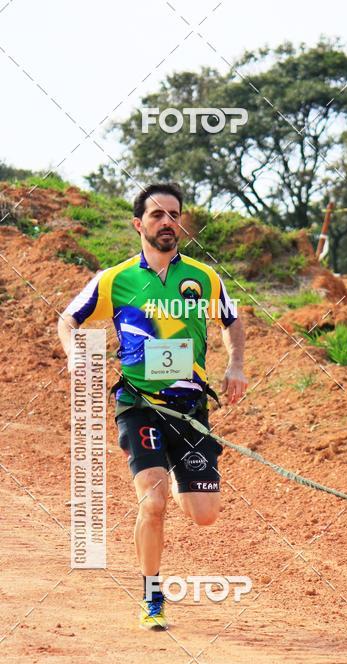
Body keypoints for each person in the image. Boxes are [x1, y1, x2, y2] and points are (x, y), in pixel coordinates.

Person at [58, 182, 247, 630]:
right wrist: (73, 353)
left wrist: (236, 364)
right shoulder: (115, 279)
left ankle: (180, 479)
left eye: (174, 214)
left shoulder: (204, 277)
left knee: (205, 515)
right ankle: (152, 596)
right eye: (158, 215)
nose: (168, 222)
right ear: (138, 223)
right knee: (153, 504)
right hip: (139, 404)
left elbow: (233, 320)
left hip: (190, 408)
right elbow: (70, 319)